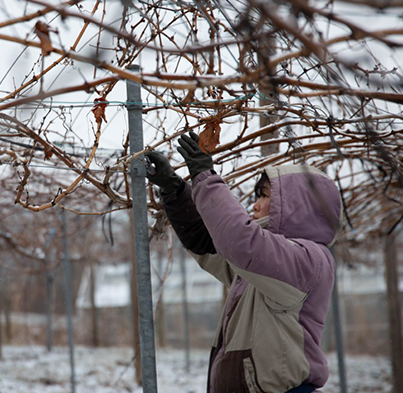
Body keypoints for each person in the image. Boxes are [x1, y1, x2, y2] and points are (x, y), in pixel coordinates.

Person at [146, 131, 343, 393]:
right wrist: (175, 190)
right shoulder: (262, 265)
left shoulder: (308, 260)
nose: (256, 205)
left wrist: (205, 177)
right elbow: (210, 244)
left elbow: (239, 241)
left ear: (297, 205)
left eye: (264, 196)